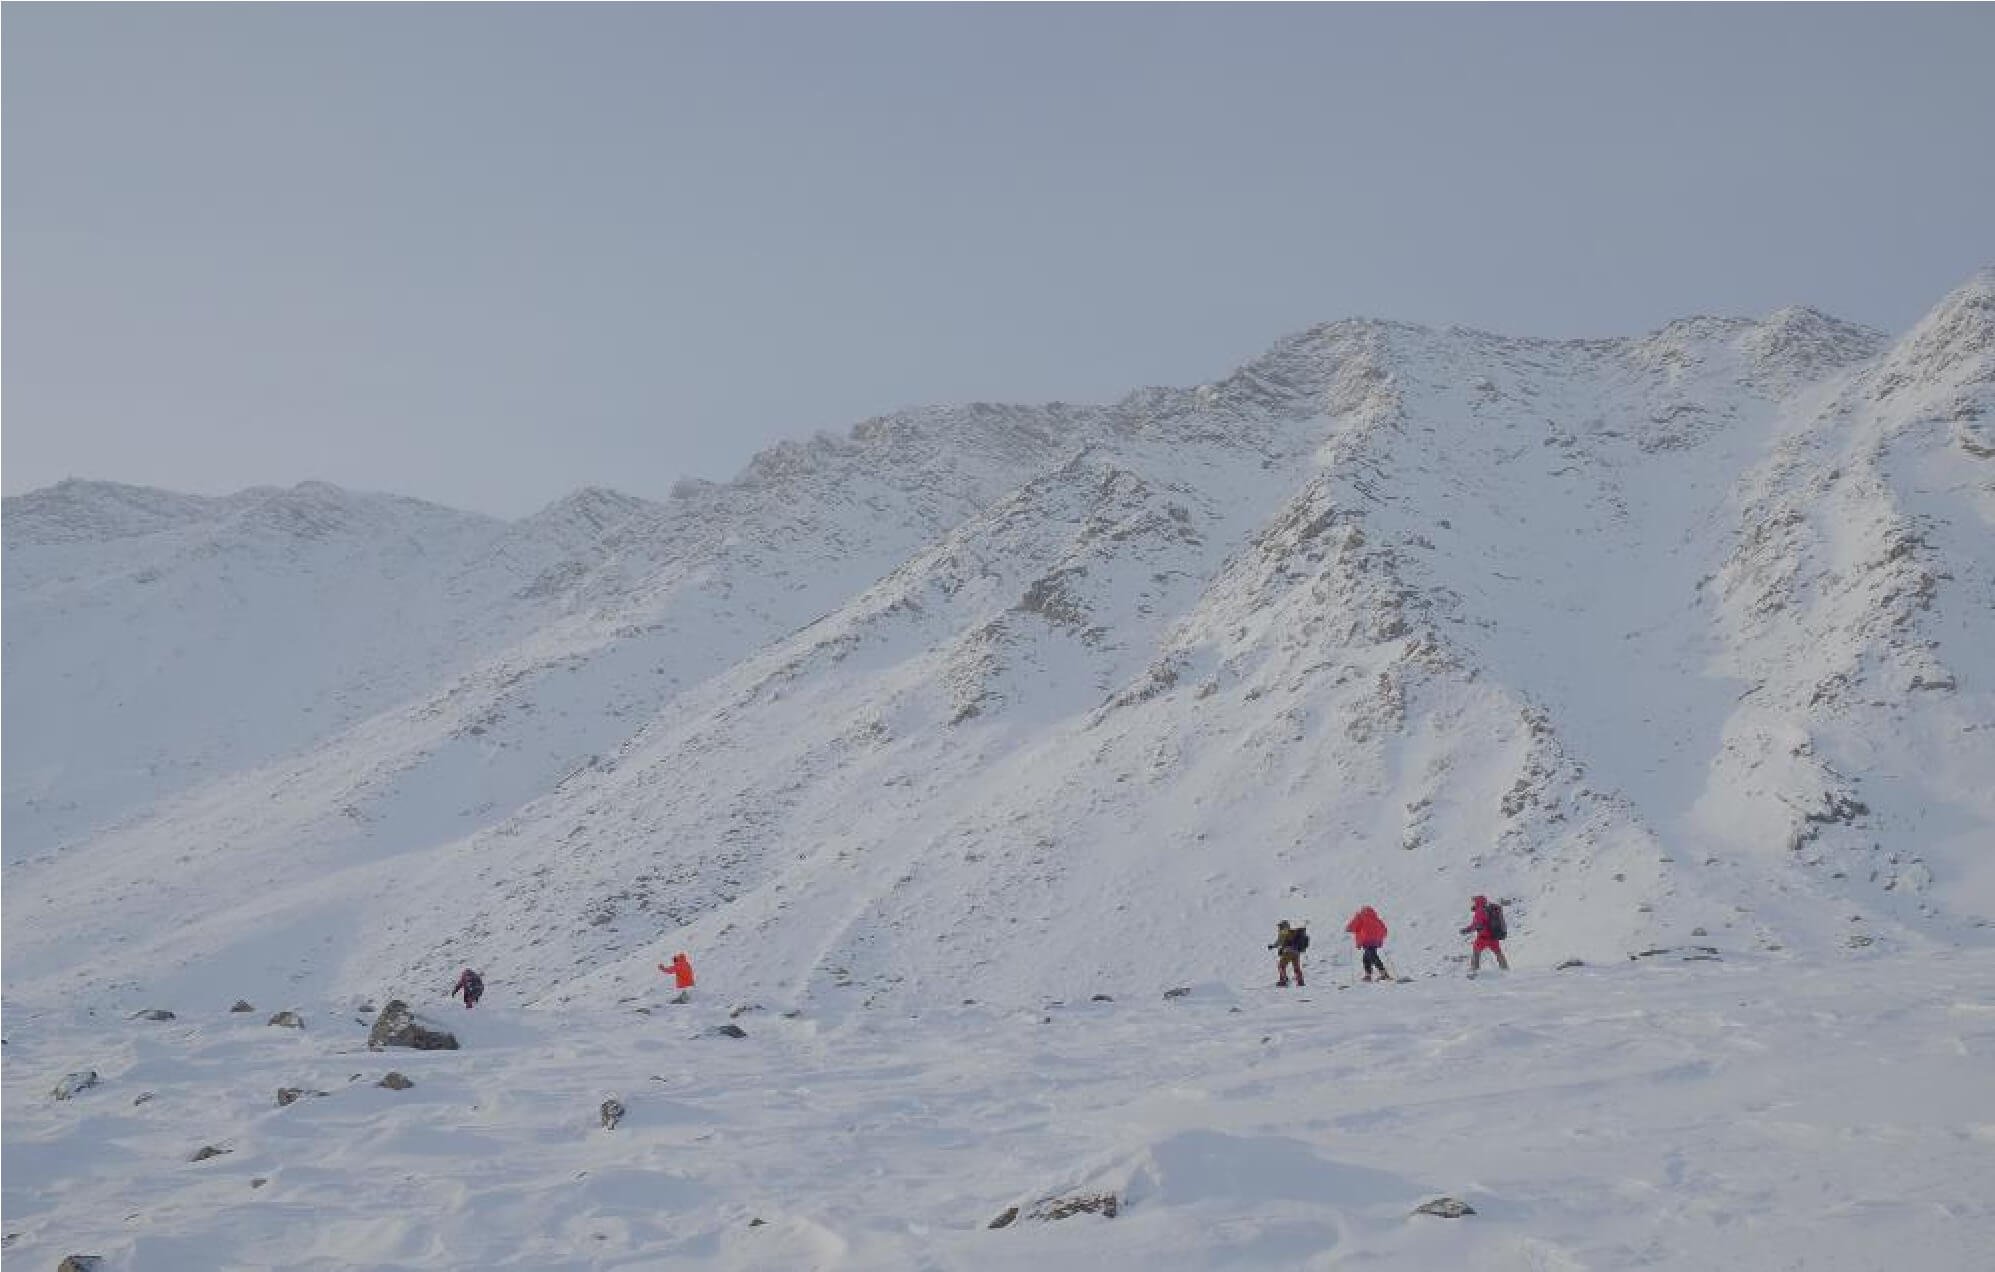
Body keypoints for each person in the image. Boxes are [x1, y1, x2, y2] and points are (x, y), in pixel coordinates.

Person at [1460, 896, 1509, 977]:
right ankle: (1505, 969)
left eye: (1474, 901)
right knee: (1498, 953)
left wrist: (1466, 930)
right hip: (1494, 937)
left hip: (1483, 937)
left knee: (1476, 952)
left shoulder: (1479, 911)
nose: (1473, 903)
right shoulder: (1489, 909)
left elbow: (1477, 924)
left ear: (1477, 902)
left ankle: (1474, 970)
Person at [1345, 905, 1392, 981]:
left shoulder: (1360, 916)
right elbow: (1384, 930)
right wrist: (1380, 937)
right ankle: (1368, 975)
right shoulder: (1376, 918)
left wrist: (1349, 929)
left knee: (1372, 955)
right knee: (1366, 957)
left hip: (1366, 940)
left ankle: (1383, 973)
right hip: (1375, 941)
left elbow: (1352, 926)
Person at [1269, 921, 1308, 987]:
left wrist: (1273, 946)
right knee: (1296, 967)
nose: (1279, 927)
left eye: (1280, 926)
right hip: (1296, 952)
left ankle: (1283, 981)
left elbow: (1279, 942)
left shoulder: (1284, 932)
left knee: (1281, 965)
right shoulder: (1293, 932)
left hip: (1288, 952)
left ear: (1284, 926)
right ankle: (1300, 982)